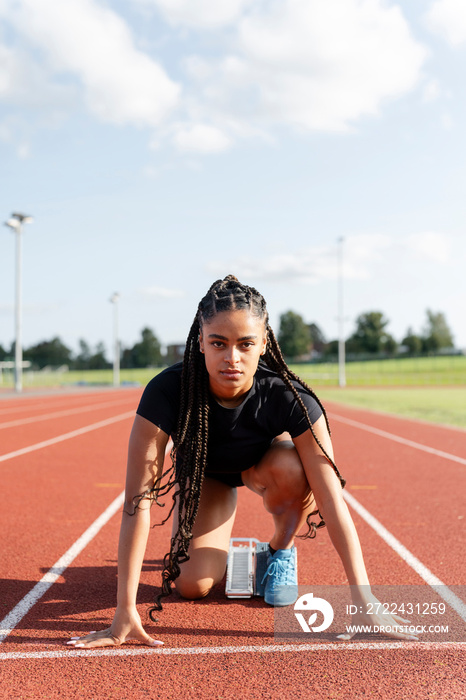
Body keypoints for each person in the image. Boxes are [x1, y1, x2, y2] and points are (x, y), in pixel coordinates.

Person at [67, 275, 417, 649]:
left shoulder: (290, 397)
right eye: (218, 343)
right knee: (192, 586)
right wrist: (125, 611)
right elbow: (137, 504)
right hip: (206, 478)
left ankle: (278, 551)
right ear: (201, 341)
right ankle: (214, 544)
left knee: (298, 469)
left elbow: (331, 498)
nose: (231, 358)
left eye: (245, 344)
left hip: (263, 468)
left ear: (263, 344)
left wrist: (363, 600)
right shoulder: (167, 393)